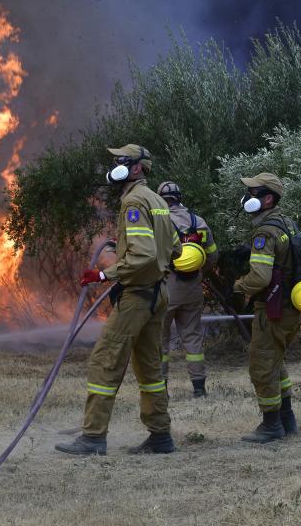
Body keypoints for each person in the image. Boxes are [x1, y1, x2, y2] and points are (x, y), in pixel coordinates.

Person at [55, 144, 181, 456]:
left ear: (137, 168)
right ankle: (160, 436)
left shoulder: (134, 201)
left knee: (104, 361)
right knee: (150, 369)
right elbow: (175, 249)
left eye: (121, 160)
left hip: (137, 297)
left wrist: (104, 275)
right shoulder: (156, 200)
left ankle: (93, 438)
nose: (115, 164)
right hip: (158, 294)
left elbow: (143, 253)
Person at [232, 172, 300, 443]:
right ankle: (287, 419)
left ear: (268, 198)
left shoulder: (265, 231)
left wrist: (238, 286)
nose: (248, 198)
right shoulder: (286, 223)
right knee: (276, 363)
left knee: (261, 365)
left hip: (272, 309)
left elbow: (260, 277)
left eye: (253, 193)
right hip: (290, 307)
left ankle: (271, 424)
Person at [156, 180, 219, 398]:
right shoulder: (198, 222)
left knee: (159, 339)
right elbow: (212, 255)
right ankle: (199, 389)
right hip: (193, 288)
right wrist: (199, 273)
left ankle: (160, 391)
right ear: (180, 198)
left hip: (166, 287)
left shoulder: (159, 222)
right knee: (192, 338)